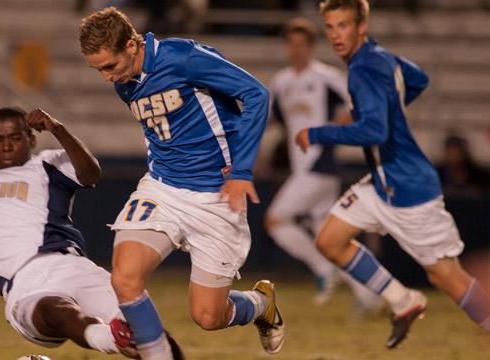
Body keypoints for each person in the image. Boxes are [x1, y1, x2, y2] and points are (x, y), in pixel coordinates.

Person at [0, 107, 183, 358]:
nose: (6, 146)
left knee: (152, 335)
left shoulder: (47, 163)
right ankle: (111, 338)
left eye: (15, 138)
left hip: (72, 265)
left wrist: (58, 130)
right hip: (24, 283)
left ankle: (126, 335)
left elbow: (91, 174)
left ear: (31, 138)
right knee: (56, 310)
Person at [78, 7, 284, 359]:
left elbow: (256, 95)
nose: (106, 78)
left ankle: (260, 303)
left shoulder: (184, 58)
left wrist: (241, 170)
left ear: (131, 45)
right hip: (163, 190)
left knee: (208, 316)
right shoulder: (125, 82)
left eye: (109, 66)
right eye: (98, 70)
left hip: (216, 198)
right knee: (124, 279)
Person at [295, 0, 490, 349]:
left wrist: (318, 133)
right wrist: (391, 109)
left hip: (409, 189)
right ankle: (403, 300)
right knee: (330, 240)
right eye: (330, 26)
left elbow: (373, 131)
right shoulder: (381, 58)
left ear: (361, 27)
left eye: (344, 25)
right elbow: (418, 79)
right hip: (382, 182)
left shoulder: (363, 68)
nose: (336, 34)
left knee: (447, 277)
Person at [265, 17, 381, 311]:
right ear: (286, 46)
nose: (296, 50)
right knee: (329, 236)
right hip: (302, 168)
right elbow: (272, 119)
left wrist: (329, 130)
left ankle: (323, 270)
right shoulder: (282, 81)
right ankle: (372, 295)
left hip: (319, 164)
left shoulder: (326, 76)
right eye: (292, 44)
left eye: (302, 44)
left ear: (311, 46)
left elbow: (358, 107)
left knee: (276, 220)